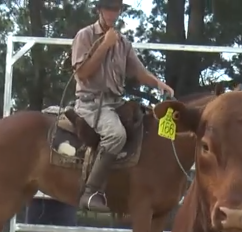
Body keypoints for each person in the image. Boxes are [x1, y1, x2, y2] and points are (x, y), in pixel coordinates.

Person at [70, 0, 175, 213]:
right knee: (116, 135)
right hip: (91, 103)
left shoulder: (123, 43)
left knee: (145, 125)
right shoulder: (85, 36)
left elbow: (139, 71)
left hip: (115, 101)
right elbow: (81, 73)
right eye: (108, 8)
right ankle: (91, 191)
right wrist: (105, 45)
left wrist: (158, 84)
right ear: (99, 10)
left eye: (116, 9)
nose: (112, 13)